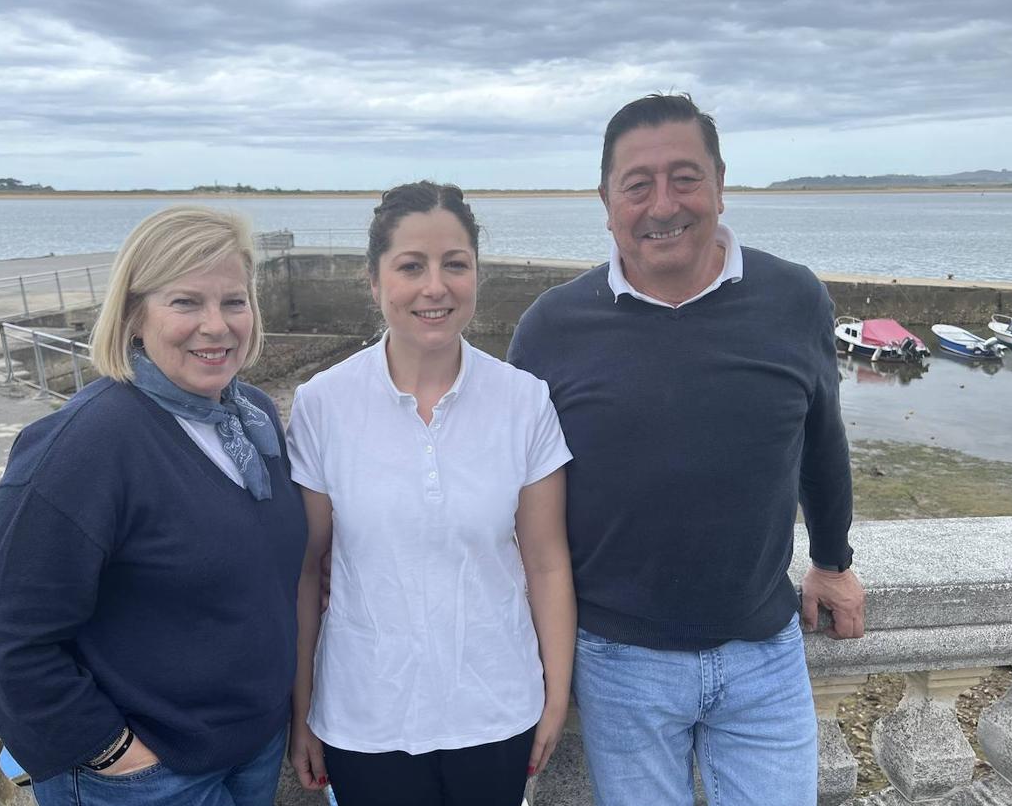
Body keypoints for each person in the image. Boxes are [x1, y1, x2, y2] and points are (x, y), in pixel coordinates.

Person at [507, 94, 866, 806]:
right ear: (606, 201)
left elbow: (821, 440)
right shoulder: (552, 326)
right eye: (637, 184)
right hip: (618, 662)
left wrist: (832, 561)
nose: (662, 204)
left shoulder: (794, 298)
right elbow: (508, 483)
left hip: (765, 652)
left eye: (685, 177)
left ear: (721, 184)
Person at [0, 206, 307, 806]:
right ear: (135, 315)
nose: (217, 326)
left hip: (250, 748)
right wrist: (116, 755)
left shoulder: (252, 419)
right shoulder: (87, 444)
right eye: (186, 302)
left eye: (234, 302)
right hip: (151, 775)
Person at [287, 181, 576, 806]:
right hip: (364, 714)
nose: (435, 286)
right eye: (411, 266)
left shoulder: (524, 401)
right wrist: (302, 707)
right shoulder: (321, 405)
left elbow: (547, 561)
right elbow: (308, 569)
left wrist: (555, 695)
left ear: (477, 274)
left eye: (455, 264)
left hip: (496, 707)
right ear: (374, 280)